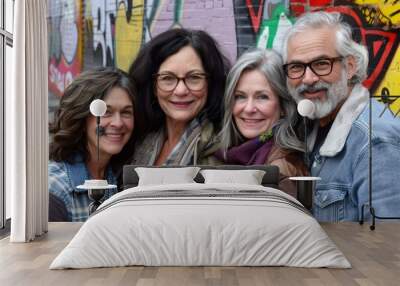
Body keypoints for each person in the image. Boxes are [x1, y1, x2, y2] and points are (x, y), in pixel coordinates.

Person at [282, 11, 400, 221]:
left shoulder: (375, 143)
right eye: (296, 67)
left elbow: (389, 248)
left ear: (350, 66)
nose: (308, 79)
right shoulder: (311, 127)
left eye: (321, 64)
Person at [129, 28, 230, 166]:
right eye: (167, 78)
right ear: (153, 87)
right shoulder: (139, 141)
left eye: (194, 77)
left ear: (210, 84)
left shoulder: (223, 151)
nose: (181, 90)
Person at [48, 68, 137, 222]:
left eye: (126, 112)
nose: (118, 123)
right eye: (106, 112)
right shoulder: (55, 189)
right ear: (81, 118)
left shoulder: (121, 179)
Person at [216, 48, 307, 197]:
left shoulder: (280, 169)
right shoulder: (229, 153)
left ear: (284, 106)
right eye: (240, 96)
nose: (249, 108)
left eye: (262, 97)